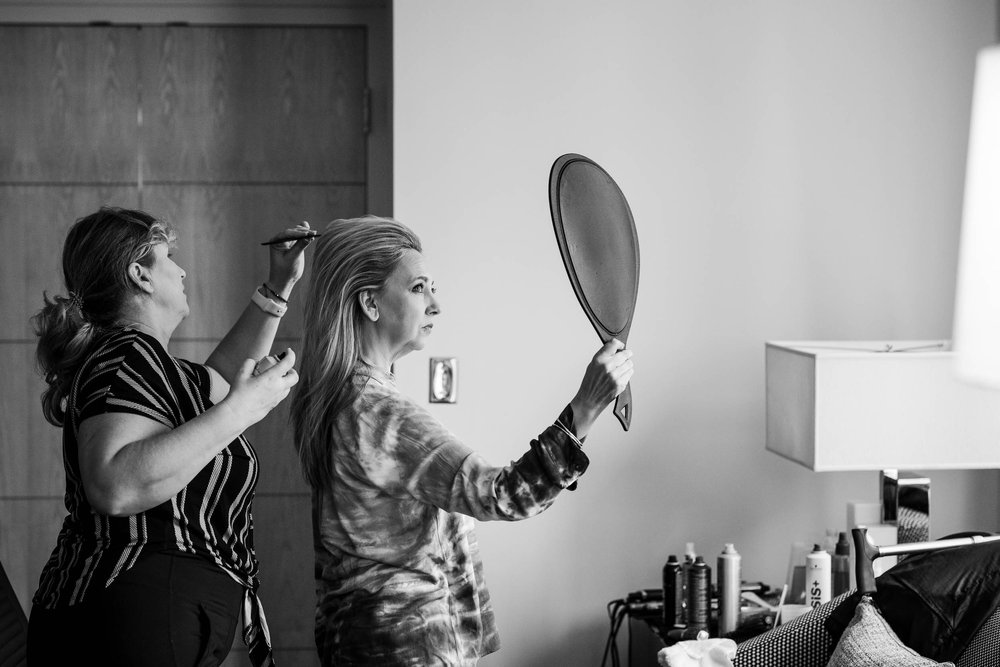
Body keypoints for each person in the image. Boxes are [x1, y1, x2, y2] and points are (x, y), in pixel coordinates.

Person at [291, 215, 635, 666]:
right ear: (370, 303)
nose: (436, 305)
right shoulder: (377, 412)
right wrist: (585, 408)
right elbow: (504, 495)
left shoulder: (343, 399)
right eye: (418, 288)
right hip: (406, 649)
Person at [26, 206, 312, 666]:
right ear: (140, 275)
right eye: (169, 256)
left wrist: (279, 286)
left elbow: (215, 382)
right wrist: (242, 410)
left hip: (147, 610)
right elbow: (115, 484)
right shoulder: (126, 354)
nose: (181, 270)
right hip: (137, 612)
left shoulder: (150, 365)